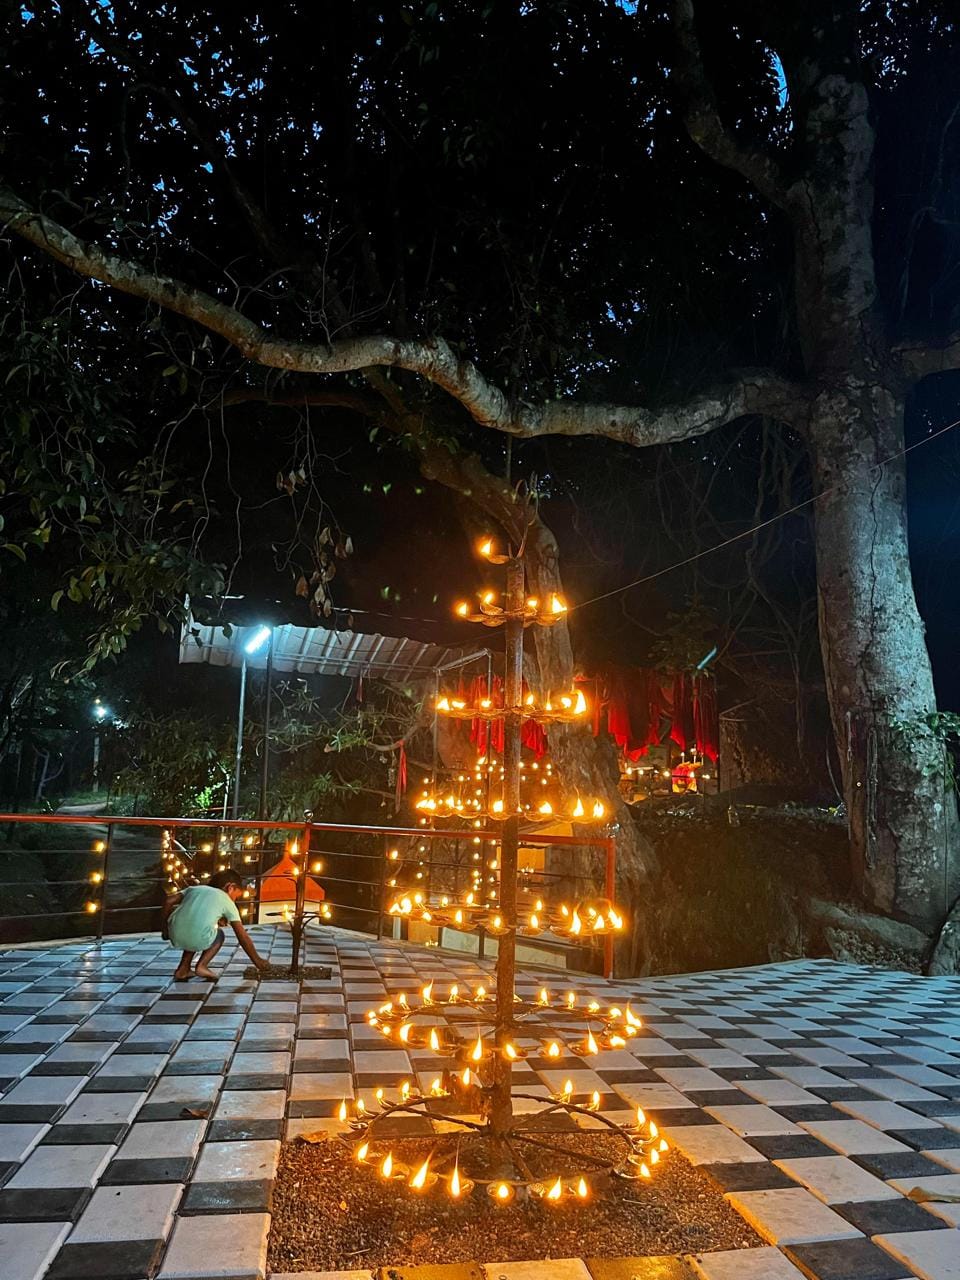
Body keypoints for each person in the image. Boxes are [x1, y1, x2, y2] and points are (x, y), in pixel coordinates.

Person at [163, 869, 270, 981]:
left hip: (174, 932)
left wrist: (165, 928)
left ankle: (183, 969)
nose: (235, 900)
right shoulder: (227, 902)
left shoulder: (194, 889)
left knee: (199, 925)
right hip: (196, 936)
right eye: (236, 896)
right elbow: (242, 936)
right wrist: (257, 961)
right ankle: (202, 966)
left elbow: (168, 901)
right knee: (218, 934)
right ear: (230, 887)